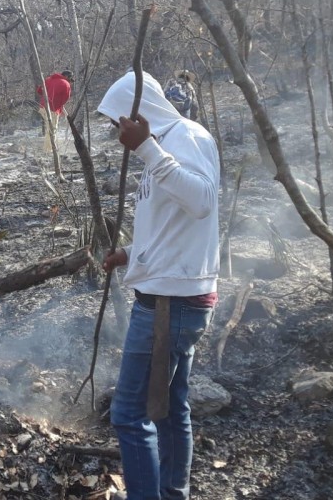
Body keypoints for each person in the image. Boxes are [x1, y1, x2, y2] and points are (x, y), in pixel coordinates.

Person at [97, 70, 219, 500]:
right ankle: (172, 493)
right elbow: (172, 223)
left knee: (129, 414)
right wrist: (132, 253)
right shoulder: (165, 147)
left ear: (139, 110)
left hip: (171, 302)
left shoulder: (186, 136)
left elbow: (202, 201)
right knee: (168, 409)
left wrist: (147, 148)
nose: (118, 132)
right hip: (170, 292)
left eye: (119, 122)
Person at [36, 70, 73, 152]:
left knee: (49, 128)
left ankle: (50, 147)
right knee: (52, 130)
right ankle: (49, 150)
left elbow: (39, 91)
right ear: (67, 76)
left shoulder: (49, 79)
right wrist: (58, 107)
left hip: (42, 107)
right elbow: (65, 99)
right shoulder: (66, 84)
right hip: (52, 109)